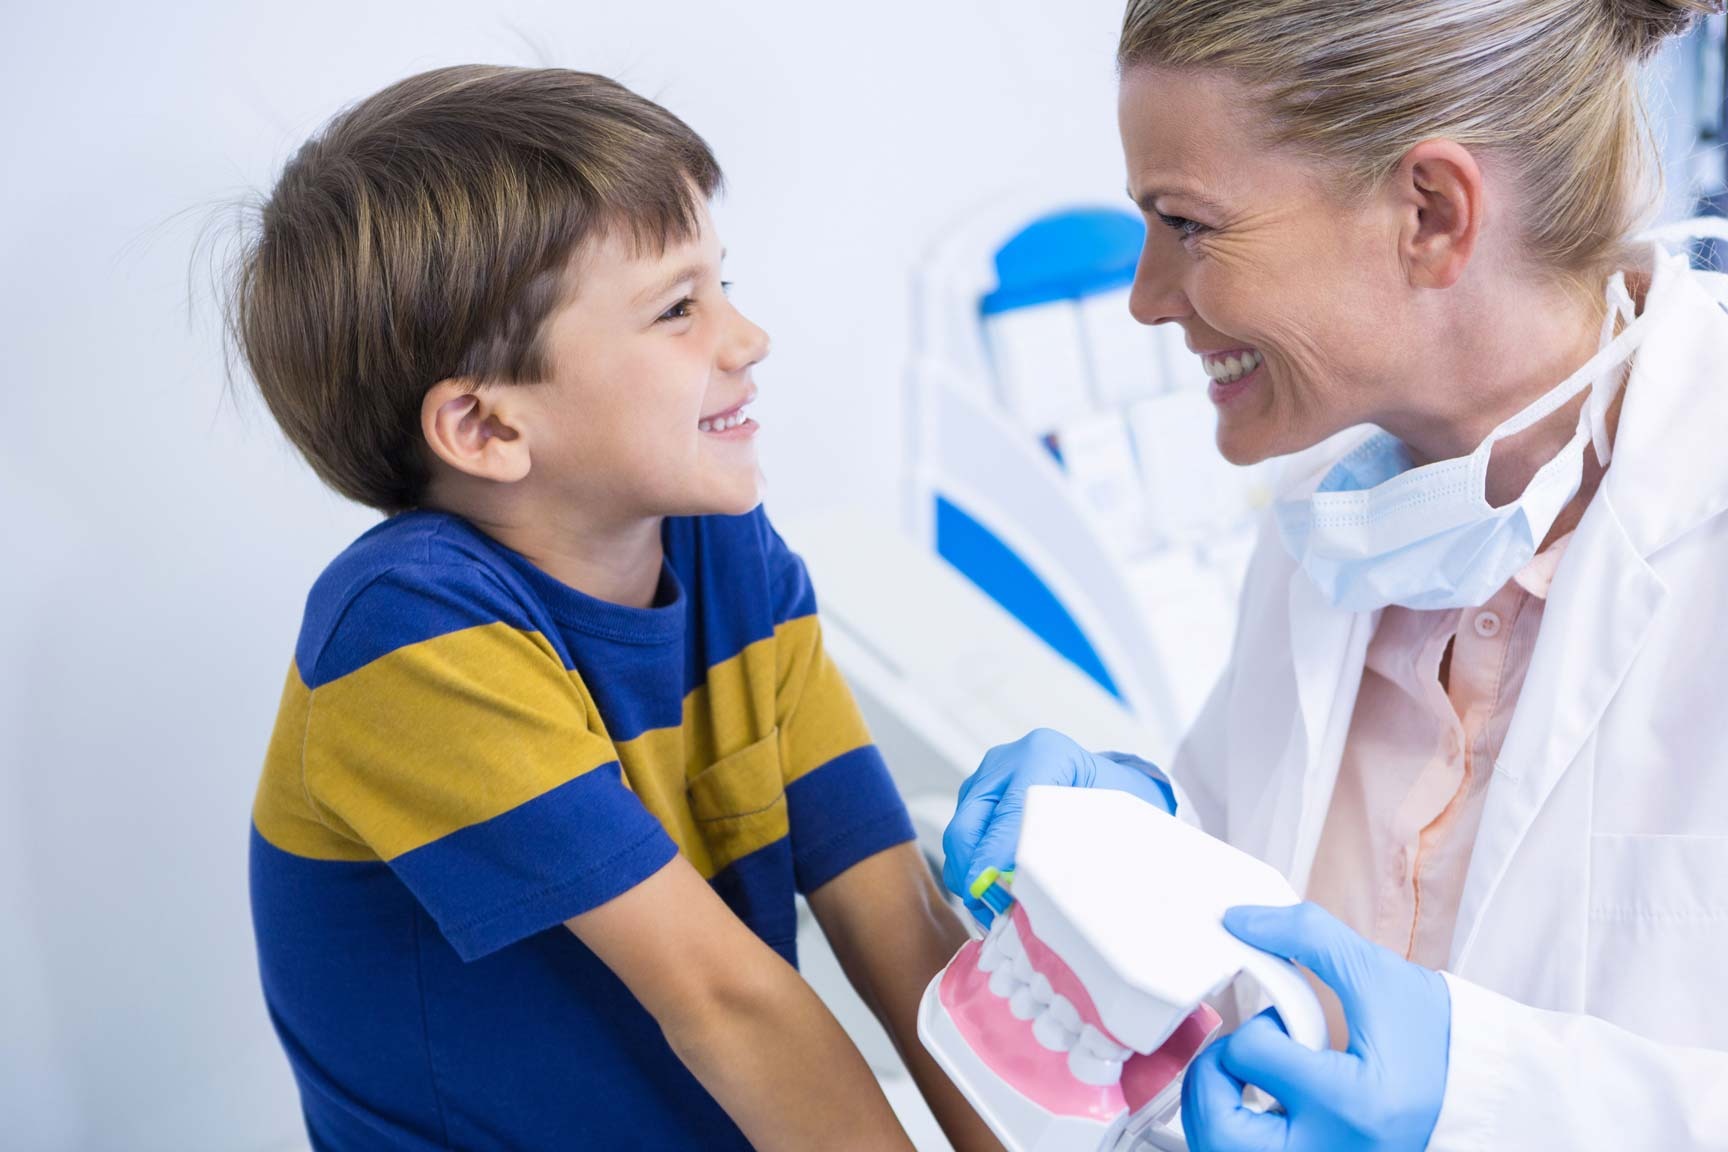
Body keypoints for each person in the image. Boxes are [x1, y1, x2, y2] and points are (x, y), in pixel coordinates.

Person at [941, 1, 1728, 1149]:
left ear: (1431, 213)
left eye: (1188, 225)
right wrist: (1140, 863)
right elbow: (1243, 967)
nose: (1148, 294)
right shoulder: (1344, 536)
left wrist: (1484, 1097)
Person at [233, 65, 1000, 1152]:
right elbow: (724, 1000)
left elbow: (898, 917)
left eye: (723, 285)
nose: (745, 339)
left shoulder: (729, 557)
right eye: (678, 308)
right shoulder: (405, 631)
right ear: (488, 429)